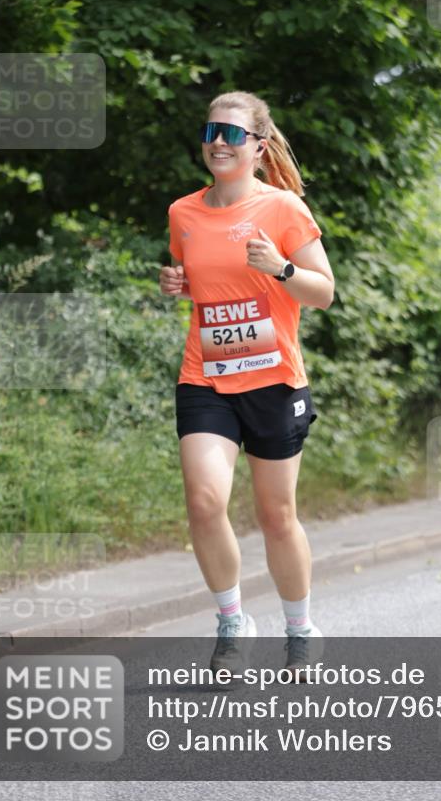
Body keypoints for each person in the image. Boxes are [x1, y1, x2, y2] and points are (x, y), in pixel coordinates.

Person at [159, 90, 335, 679]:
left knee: (275, 513)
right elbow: (200, 281)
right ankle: (232, 622)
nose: (217, 142)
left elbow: (324, 292)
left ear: (258, 147)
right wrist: (178, 284)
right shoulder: (183, 213)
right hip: (206, 375)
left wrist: (281, 269)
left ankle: (300, 629)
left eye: (232, 134)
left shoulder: (283, 209)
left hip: (274, 380)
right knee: (205, 500)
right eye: (212, 131)